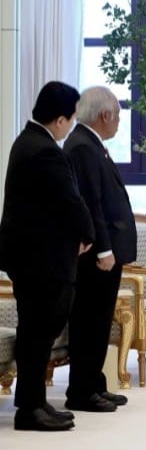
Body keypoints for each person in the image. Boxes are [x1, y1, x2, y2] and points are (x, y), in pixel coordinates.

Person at [0, 81, 93, 431]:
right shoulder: (46, 150)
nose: (71, 127)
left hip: (31, 257)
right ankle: (29, 408)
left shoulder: (25, 142)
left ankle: (34, 401)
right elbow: (69, 200)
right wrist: (87, 233)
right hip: (43, 259)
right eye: (71, 119)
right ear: (59, 119)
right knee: (39, 332)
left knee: (37, 331)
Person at [63, 86, 137, 412]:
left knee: (99, 322)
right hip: (96, 256)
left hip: (105, 253)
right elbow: (90, 202)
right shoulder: (81, 146)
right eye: (119, 116)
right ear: (105, 115)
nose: (119, 122)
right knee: (89, 322)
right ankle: (81, 391)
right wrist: (104, 249)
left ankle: (95, 384)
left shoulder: (94, 144)